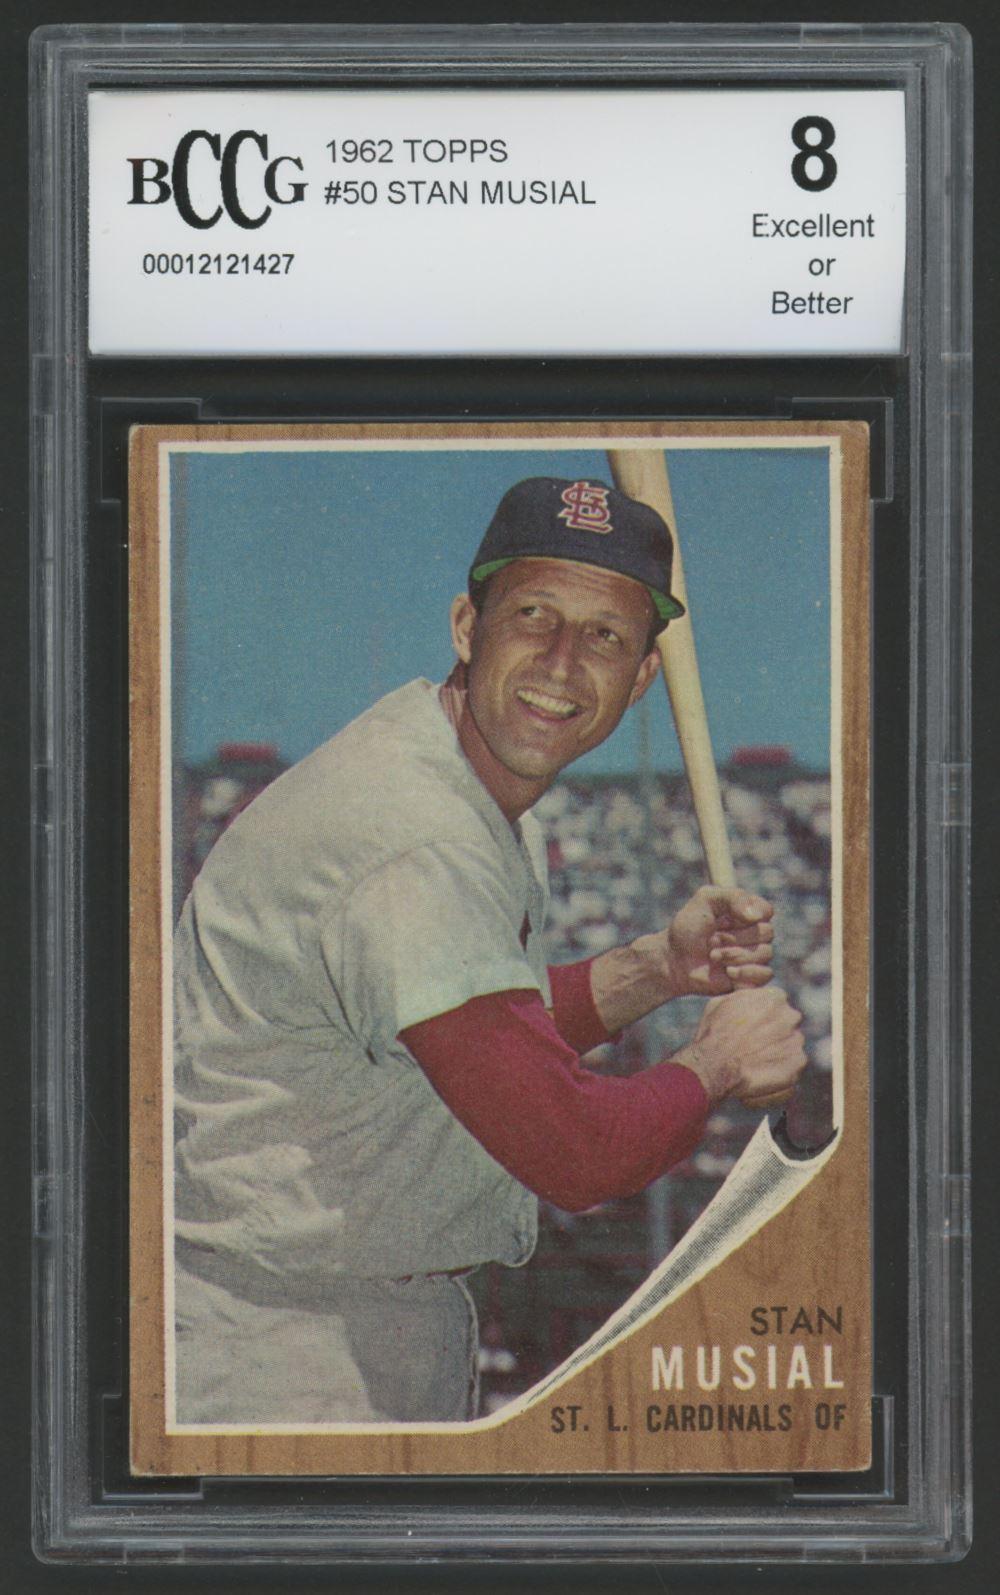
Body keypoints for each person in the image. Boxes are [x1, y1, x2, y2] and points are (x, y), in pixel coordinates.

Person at [171, 475, 806, 1425]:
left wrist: (658, 970)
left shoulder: (456, 774)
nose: (562, 661)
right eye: (534, 615)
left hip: (316, 1314)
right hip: (281, 1342)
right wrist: (715, 1062)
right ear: (469, 626)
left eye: (604, 635)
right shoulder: (418, 835)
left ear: (642, 680)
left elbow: (474, 1035)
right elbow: (574, 1151)